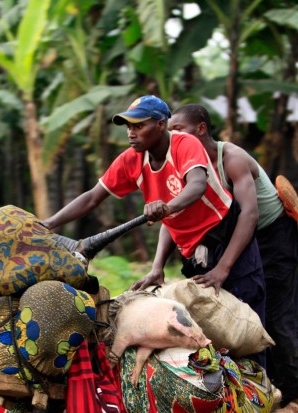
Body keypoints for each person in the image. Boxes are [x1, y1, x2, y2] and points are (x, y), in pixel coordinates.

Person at [42, 95, 267, 367]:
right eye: (127, 127)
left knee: (246, 328)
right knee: (213, 332)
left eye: (138, 126)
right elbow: (92, 197)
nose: (131, 133)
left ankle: (261, 397)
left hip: (225, 237)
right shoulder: (130, 161)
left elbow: (196, 186)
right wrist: (48, 225)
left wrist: (222, 267)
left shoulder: (185, 144)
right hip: (194, 254)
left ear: (161, 124)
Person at [166, 104, 298, 413]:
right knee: (239, 321)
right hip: (233, 241)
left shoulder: (230, 157)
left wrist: (224, 269)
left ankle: (297, 398)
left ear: (201, 129)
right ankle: (257, 393)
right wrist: (157, 266)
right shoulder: (183, 166)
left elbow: (250, 215)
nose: (173, 137)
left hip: (270, 237)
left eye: (180, 130)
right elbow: (171, 215)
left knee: (276, 318)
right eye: (170, 131)